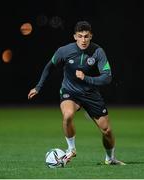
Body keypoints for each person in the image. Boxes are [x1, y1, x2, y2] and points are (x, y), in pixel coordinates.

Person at [28, 21, 125, 165]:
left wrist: (86, 78)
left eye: (86, 36)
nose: (84, 40)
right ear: (75, 37)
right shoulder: (64, 51)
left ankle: (110, 159)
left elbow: (107, 77)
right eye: (80, 36)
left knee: (107, 131)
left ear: (91, 36)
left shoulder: (98, 51)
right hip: (70, 91)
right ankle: (71, 149)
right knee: (67, 115)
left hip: (91, 94)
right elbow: (49, 67)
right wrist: (38, 87)